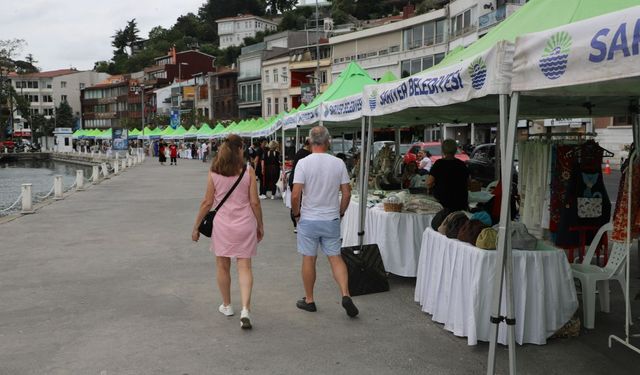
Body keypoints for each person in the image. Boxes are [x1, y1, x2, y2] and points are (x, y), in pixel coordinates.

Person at [192, 134, 264, 329]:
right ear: (240, 149)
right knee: (245, 267)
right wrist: (260, 225)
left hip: (223, 226)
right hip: (245, 224)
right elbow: (255, 202)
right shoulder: (248, 170)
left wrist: (196, 226)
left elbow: (207, 202)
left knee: (222, 266)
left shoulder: (214, 171)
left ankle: (227, 305)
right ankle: (246, 309)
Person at [291, 126, 359, 318]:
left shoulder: (303, 163)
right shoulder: (338, 163)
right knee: (335, 257)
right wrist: (341, 212)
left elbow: (296, 194)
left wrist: (296, 214)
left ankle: (309, 299)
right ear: (328, 141)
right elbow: (347, 193)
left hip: (309, 218)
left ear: (310, 141)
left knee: (309, 258)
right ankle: (345, 294)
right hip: (331, 218)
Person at [427, 139, 469, 211]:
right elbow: (468, 183)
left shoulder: (439, 164)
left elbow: (429, 183)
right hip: (460, 202)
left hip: (442, 204)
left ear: (443, 150)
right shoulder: (462, 164)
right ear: (455, 150)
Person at [289, 138, 311, 232]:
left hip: (295, 179)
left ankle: (296, 224)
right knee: (298, 200)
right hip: (298, 180)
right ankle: (297, 223)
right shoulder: (305, 154)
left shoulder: (300, 152)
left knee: (298, 201)